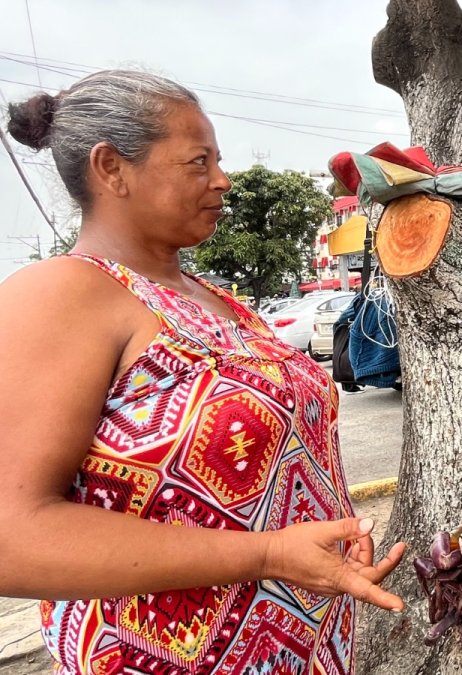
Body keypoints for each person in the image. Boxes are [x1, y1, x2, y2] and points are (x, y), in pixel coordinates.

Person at [0, 71, 406, 673]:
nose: (222, 179)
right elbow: (11, 538)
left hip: (303, 644)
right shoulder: (62, 294)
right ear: (111, 168)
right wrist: (268, 554)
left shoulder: (212, 298)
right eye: (198, 161)